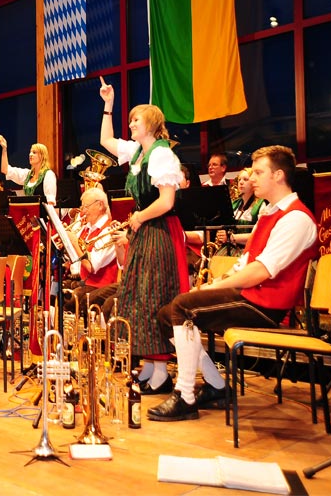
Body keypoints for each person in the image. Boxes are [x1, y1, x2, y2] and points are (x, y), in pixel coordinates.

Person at [149, 145, 318, 421]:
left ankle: (185, 395)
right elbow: (246, 261)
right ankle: (217, 385)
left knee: (181, 307)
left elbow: (261, 271)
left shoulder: (296, 218)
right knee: (166, 314)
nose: (252, 178)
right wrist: (219, 280)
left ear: (278, 175)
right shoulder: (270, 212)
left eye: (259, 173)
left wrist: (215, 287)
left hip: (268, 306)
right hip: (251, 296)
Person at [98, 76, 189, 395]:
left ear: (150, 123)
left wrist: (138, 217)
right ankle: (151, 367)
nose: (131, 124)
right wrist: (108, 105)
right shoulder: (138, 151)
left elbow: (167, 202)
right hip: (146, 232)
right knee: (140, 299)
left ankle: (162, 373)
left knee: (155, 297)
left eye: (135, 119)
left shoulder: (162, 155)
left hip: (160, 232)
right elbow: (106, 141)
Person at [66, 187, 120, 306]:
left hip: (100, 285)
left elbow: (91, 266)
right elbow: (74, 261)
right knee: (58, 291)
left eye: (86, 207)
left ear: (100, 205)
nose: (83, 212)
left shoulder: (109, 230)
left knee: (72, 300)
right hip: (83, 280)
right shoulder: (86, 228)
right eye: (82, 207)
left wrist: (74, 243)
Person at [215, 167, 267, 255]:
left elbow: (260, 235)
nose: (241, 182)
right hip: (232, 248)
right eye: (239, 180)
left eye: (245, 179)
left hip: (249, 251)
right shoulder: (235, 204)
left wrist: (231, 237)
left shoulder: (261, 205)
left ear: (254, 183)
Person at [0, 135, 57, 205]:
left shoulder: (48, 175)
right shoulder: (27, 175)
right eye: (30, 152)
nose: (30, 154)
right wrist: (4, 149)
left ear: (42, 156)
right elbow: (5, 169)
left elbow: (50, 202)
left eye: (34, 152)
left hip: (42, 211)